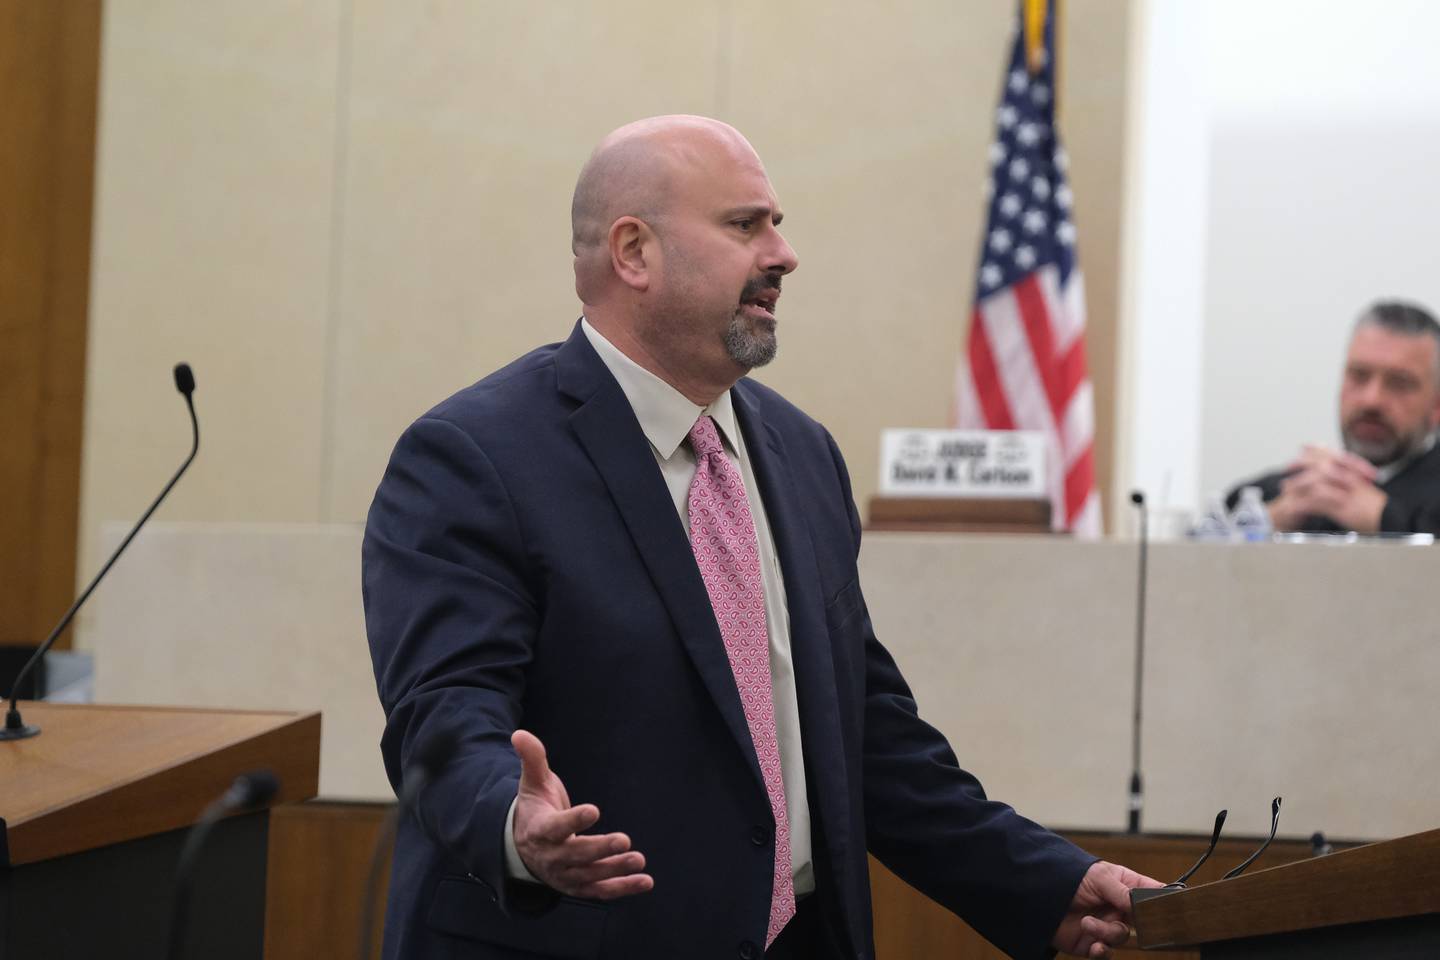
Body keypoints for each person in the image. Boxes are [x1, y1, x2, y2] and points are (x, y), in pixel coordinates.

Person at [362, 115, 1159, 960]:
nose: (783, 254)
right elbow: (444, 716)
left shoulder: (802, 452)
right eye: (746, 225)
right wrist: (513, 824)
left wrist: (1044, 883)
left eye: (775, 223)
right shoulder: (474, 457)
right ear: (634, 253)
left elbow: (868, 742)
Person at [1227, 301, 1440, 534]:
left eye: (1399, 383)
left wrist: (1386, 520)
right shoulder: (1284, 493)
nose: (1372, 400)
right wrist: (1266, 524)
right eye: (1359, 376)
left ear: (1436, 405)